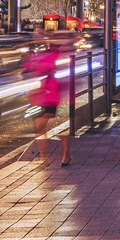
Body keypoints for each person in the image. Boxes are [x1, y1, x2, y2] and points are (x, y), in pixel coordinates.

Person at [24, 34, 73, 166]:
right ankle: (44, 157)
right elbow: (30, 69)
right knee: (39, 127)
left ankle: (65, 153)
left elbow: (58, 74)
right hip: (39, 97)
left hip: (53, 96)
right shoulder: (39, 55)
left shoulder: (59, 56)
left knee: (59, 127)